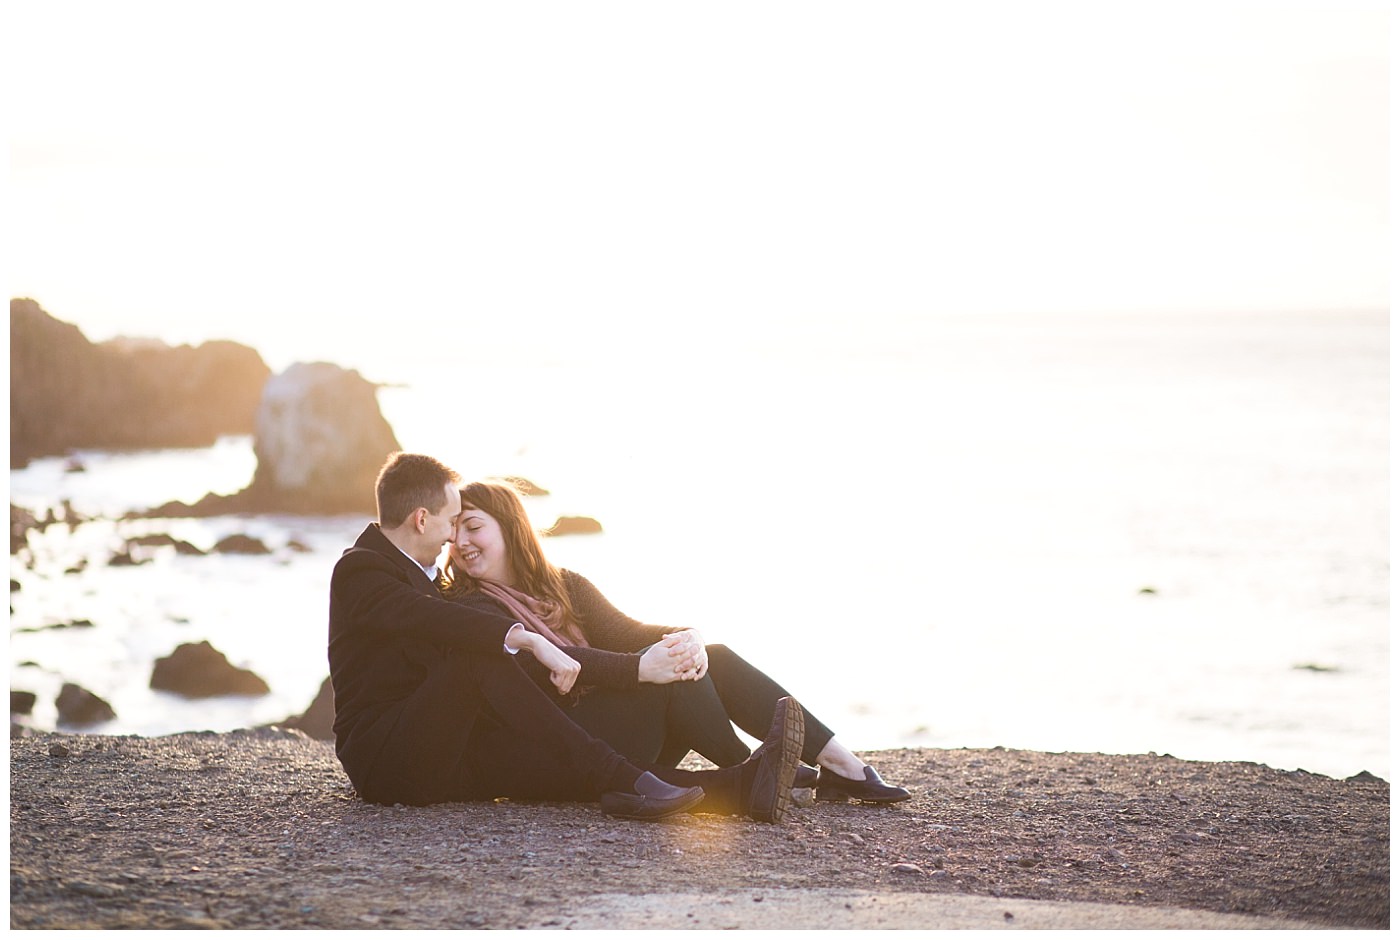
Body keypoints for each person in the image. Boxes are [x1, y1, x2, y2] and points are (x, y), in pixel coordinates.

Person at [328, 452, 806, 823]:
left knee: (542, 767)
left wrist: (683, 637)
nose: (455, 537)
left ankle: (743, 786)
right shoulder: (362, 569)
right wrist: (530, 640)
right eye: (453, 521)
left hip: (444, 742)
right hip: (387, 759)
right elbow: (431, 620)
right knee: (480, 659)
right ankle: (623, 777)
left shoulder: (423, 576)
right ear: (420, 519)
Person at [440, 479, 910, 804]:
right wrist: (641, 668)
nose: (461, 543)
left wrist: (685, 637)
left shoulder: (565, 585)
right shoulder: (468, 607)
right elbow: (540, 668)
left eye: (473, 526)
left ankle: (841, 766)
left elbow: (628, 633)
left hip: (615, 727)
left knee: (712, 657)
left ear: (510, 527)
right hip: (566, 747)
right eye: (452, 535)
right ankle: (755, 768)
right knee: (669, 677)